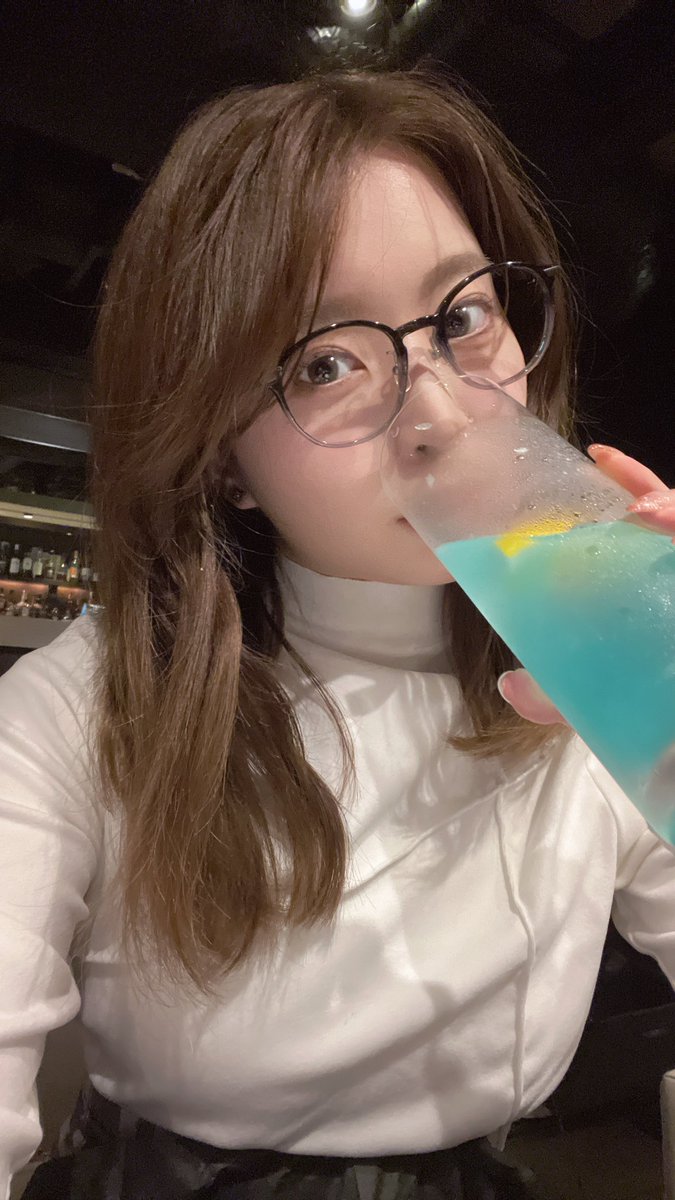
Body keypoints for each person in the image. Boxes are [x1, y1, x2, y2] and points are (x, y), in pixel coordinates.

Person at [1, 66, 674, 1200]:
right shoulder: (90, 708)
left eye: (462, 317)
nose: (441, 411)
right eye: (324, 363)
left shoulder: (594, 650)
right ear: (222, 457)